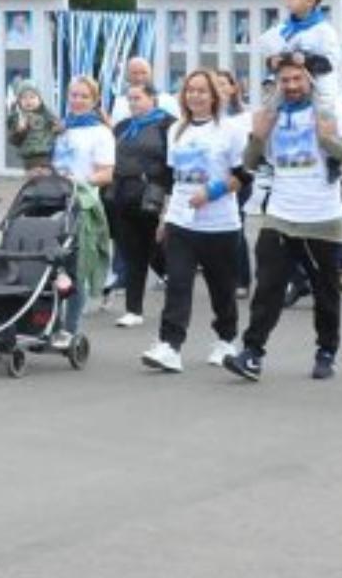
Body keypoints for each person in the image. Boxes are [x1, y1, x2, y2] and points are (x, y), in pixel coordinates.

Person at [223, 53, 342, 382]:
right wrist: (257, 137)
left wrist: (328, 141)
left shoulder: (331, 112)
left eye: (297, 79)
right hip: (280, 214)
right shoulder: (268, 116)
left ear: (309, 80)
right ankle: (252, 353)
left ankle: (326, 351)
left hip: (323, 218)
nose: (291, 86)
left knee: (325, 291)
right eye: (284, 80)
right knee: (268, 288)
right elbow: (249, 163)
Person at [138, 72, 246, 372]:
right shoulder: (176, 130)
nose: (195, 96)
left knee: (221, 288)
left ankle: (225, 340)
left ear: (214, 96)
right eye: (190, 91)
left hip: (221, 224)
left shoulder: (230, 130)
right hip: (182, 223)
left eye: (202, 91)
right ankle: (170, 345)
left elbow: (243, 175)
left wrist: (212, 191)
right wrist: (165, 217)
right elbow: (173, 179)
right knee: (178, 284)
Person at [52, 76, 116, 343]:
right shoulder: (63, 128)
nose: (77, 101)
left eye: (83, 96)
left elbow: (106, 174)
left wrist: (79, 182)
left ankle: (70, 328)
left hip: (83, 204)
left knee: (75, 269)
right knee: (51, 267)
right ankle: (48, 324)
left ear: (94, 100)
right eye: (74, 95)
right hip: (54, 203)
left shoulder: (101, 133)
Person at [108, 80, 176, 328]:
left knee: (152, 245)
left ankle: (175, 278)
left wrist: (169, 201)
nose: (133, 103)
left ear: (152, 98)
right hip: (123, 194)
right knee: (132, 251)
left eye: (137, 98)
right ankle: (133, 309)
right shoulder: (123, 127)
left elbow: (172, 164)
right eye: (130, 99)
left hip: (152, 194)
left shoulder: (167, 125)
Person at [254, 0, 342, 109]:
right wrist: (272, 61)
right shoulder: (283, 28)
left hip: (317, 100)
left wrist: (306, 59)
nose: (287, 1)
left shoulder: (324, 31)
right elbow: (272, 56)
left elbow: (330, 63)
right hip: (286, 97)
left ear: (310, 1)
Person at [214, 69, 256, 296]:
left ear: (232, 88)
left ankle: (242, 279)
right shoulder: (208, 117)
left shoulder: (244, 116)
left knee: (235, 225)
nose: (219, 88)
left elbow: (249, 152)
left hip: (239, 178)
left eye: (223, 84)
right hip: (214, 178)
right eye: (215, 84)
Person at [6, 80, 61, 174]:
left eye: (32, 97)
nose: (29, 101)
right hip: (31, 157)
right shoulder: (18, 117)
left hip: (47, 155)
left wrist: (58, 129)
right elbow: (13, 140)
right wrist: (20, 131)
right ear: (19, 101)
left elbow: (57, 129)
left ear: (39, 100)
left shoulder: (47, 115)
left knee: (49, 179)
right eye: (24, 98)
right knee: (39, 179)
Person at [109, 55, 180, 122]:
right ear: (127, 76)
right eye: (134, 73)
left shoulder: (168, 101)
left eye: (144, 73)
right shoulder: (119, 103)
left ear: (151, 74)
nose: (139, 78)